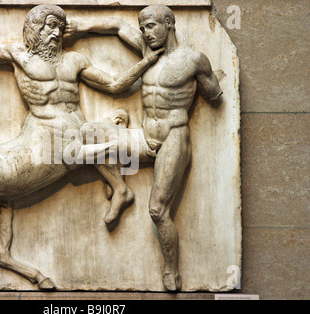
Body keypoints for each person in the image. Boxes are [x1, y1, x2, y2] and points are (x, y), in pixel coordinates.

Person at [0, 4, 162, 290]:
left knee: (104, 127)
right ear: (34, 30)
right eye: (48, 26)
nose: (55, 33)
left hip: (74, 132)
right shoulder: (19, 56)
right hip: (43, 136)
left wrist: (147, 61)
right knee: (100, 141)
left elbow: (116, 85)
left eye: (59, 26)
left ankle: (119, 188)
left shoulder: (75, 61)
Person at [66, 4, 223, 291]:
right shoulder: (145, 51)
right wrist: (79, 27)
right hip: (142, 136)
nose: (146, 33)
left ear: (169, 23)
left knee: (157, 210)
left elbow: (214, 94)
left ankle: (171, 270)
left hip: (173, 139)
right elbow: (115, 26)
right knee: (88, 133)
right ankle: (120, 189)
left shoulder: (194, 60)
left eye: (151, 26)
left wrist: (213, 81)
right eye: (142, 28)